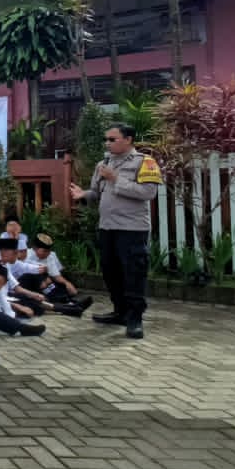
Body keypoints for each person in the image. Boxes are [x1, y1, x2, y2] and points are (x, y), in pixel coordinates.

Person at [68, 123, 161, 339]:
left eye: (112, 139)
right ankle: (120, 311)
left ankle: (135, 318)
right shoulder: (104, 163)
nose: (107, 143)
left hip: (132, 228)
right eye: (106, 139)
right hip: (107, 227)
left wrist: (116, 178)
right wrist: (84, 195)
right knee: (111, 271)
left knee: (133, 273)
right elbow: (97, 193)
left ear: (128, 139)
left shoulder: (145, 162)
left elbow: (148, 192)